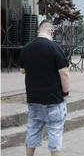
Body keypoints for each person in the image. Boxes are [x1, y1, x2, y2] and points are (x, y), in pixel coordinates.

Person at [20, 20, 70, 156]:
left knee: (33, 129)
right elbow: (64, 73)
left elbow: (22, 70)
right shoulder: (55, 48)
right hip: (53, 97)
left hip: (33, 97)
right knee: (55, 131)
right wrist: (65, 93)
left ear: (38, 32)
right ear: (52, 32)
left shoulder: (26, 48)